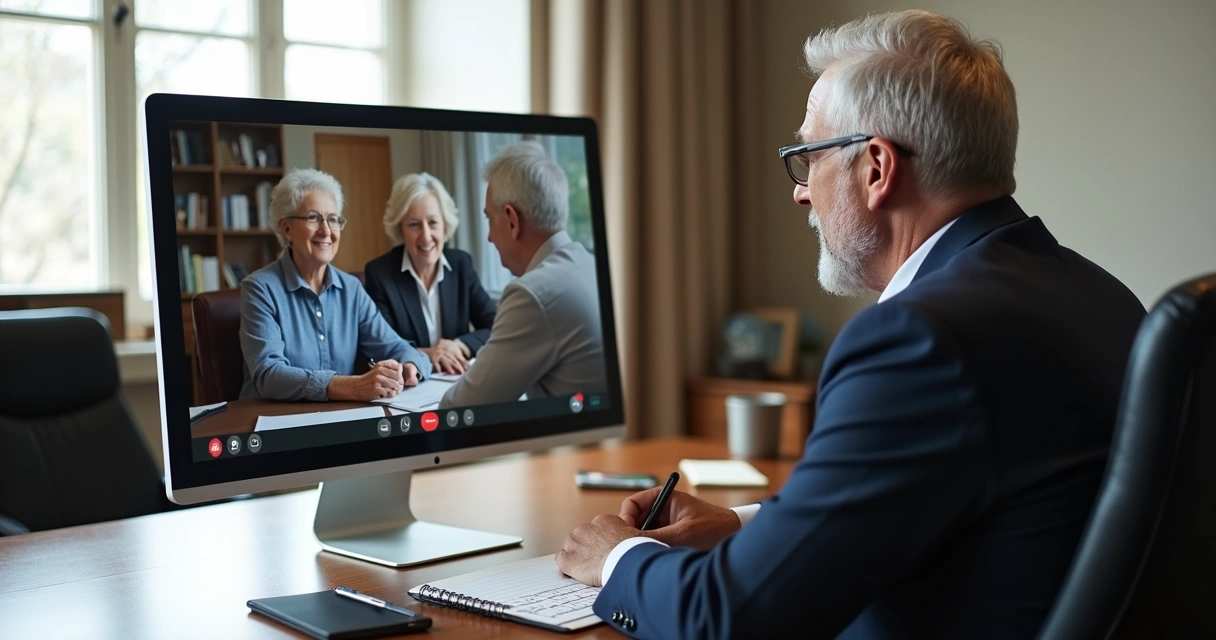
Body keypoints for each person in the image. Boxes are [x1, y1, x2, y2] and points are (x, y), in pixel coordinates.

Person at [556, 10, 1147, 639]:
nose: (801, 192)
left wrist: (618, 557)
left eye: (808, 157)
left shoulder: (919, 341)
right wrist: (743, 526)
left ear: (876, 169)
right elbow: (950, 501)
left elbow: (730, 620)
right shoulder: (1105, 297)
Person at [240, 168, 431, 402]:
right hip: (272, 419)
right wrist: (352, 386)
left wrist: (411, 366)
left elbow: (397, 347)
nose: (326, 231)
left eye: (333, 219)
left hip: (337, 417)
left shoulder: (352, 289)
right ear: (287, 229)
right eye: (313, 218)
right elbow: (268, 375)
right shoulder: (259, 289)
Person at [439, 141, 605, 408]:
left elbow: (459, 410)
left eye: (489, 219)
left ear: (512, 220)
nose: (489, 237)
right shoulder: (592, 265)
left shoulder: (532, 295)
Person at [364, 173, 496, 375]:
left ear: (445, 225)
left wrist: (459, 345)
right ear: (400, 229)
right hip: (412, 385)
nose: (426, 236)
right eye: (414, 225)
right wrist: (428, 355)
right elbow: (382, 346)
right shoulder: (380, 274)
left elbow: (496, 326)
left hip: (456, 379)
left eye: (433, 222)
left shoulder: (461, 265)